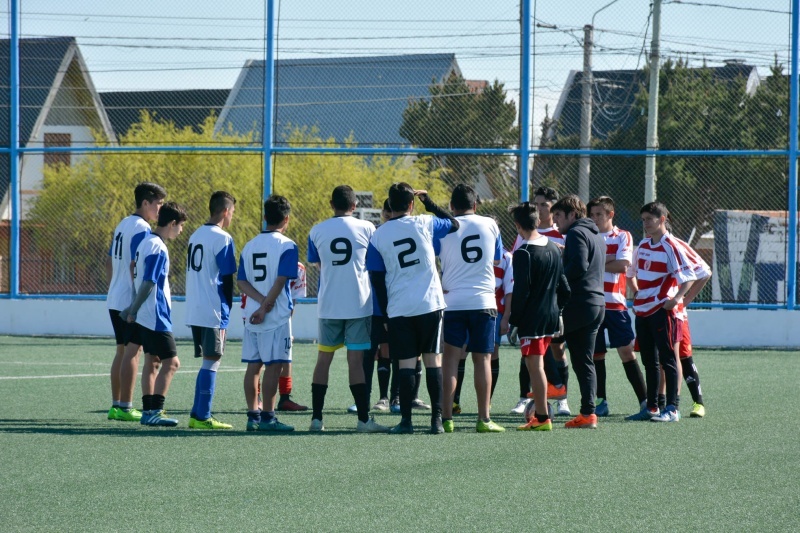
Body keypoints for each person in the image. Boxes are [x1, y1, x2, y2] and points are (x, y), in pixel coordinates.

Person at [366, 182, 459, 434]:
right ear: (411, 204)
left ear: (389, 204)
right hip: (430, 303)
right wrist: (429, 203)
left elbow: (376, 278)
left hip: (399, 307)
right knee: (433, 362)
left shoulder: (378, 235)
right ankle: (436, 421)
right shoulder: (424, 222)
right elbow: (454, 223)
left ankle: (406, 421)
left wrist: (384, 313)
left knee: (405, 364)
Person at [307, 185, 388, 433]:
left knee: (324, 360)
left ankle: (317, 419)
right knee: (356, 361)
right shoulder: (368, 228)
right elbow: (375, 264)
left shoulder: (317, 230)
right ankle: (363, 421)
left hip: (329, 305)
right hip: (359, 305)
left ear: (331, 204)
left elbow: (318, 263)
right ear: (354, 206)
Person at [437, 184, 505, 433]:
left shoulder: (443, 228)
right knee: (483, 360)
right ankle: (484, 419)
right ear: (475, 205)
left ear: (451, 207)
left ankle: (446, 418)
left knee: (451, 360)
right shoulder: (490, 224)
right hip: (483, 302)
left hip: (453, 303)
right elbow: (497, 258)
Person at [625, 202, 697, 423]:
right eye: (643, 219)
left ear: (663, 220)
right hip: (643, 311)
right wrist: (637, 294)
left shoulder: (672, 246)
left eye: (650, 219)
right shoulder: (644, 245)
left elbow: (690, 276)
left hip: (662, 311)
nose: (645, 223)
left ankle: (673, 409)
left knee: (668, 359)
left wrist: (676, 300)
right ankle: (653, 407)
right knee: (649, 360)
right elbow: (631, 271)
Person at [119, 201, 188, 427]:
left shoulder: (145, 242)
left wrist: (133, 309)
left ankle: (149, 411)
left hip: (143, 314)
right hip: (154, 314)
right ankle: (155, 410)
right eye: (180, 226)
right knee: (172, 363)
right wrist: (133, 308)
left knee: (152, 361)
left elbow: (135, 273)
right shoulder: (158, 246)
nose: (181, 231)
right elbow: (149, 281)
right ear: (172, 223)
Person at [237, 195, 298, 432]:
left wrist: (260, 304)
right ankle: (268, 417)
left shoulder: (249, 245)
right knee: (274, 365)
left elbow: (241, 282)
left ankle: (252, 416)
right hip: (275, 317)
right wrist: (266, 307)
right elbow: (281, 280)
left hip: (252, 315)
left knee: (254, 366)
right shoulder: (287, 245)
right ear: (286, 219)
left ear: (264, 218)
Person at [106, 182, 166, 422]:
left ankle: (116, 405)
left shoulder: (123, 224)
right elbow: (136, 266)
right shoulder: (143, 229)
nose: (160, 209)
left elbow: (110, 261)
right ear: (145, 203)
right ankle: (126, 406)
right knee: (133, 351)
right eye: (158, 204)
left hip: (114, 297)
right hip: (128, 300)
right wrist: (134, 300)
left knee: (122, 350)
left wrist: (115, 288)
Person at [508, 202, 570, 431]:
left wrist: (514, 321)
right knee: (539, 365)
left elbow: (521, 292)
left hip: (532, 320)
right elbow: (565, 289)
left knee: (535, 367)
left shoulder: (523, 252)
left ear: (518, 225)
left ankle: (542, 418)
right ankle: (542, 414)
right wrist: (559, 311)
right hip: (551, 316)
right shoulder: (554, 248)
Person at [586, 196, 647, 416]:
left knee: (626, 352)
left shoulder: (623, 236)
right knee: (596, 355)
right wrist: (608, 259)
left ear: (610, 214)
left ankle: (645, 401)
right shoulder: (587, 236)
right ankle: (601, 402)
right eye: (591, 215)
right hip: (592, 305)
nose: (594, 219)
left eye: (599, 214)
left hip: (615, 306)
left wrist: (594, 261)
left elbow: (623, 265)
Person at [551, 194, 606, 429]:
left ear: (573, 215)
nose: (555, 223)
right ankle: (587, 412)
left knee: (544, 340)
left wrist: (555, 278)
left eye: (558, 217)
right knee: (584, 361)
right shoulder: (595, 233)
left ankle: (554, 388)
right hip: (597, 303)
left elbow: (580, 266)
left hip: (580, 304)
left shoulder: (575, 232)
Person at [185, 191, 237, 430]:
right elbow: (227, 278)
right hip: (213, 308)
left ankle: (197, 413)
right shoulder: (222, 238)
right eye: (232, 212)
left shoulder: (195, 235)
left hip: (195, 307)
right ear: (225, 211)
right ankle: (203, 416)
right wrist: (228, 306)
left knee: (208, 361)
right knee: (212, 361)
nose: (232, 217)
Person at [245, 261, 309, 412]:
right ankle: (260, 403)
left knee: (284, 357)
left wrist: (289, 323)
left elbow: (292, 298)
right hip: (259, 313)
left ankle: (284, 399)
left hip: (272, 314)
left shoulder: (297, 267)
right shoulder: (282, 258)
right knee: (260, 362)